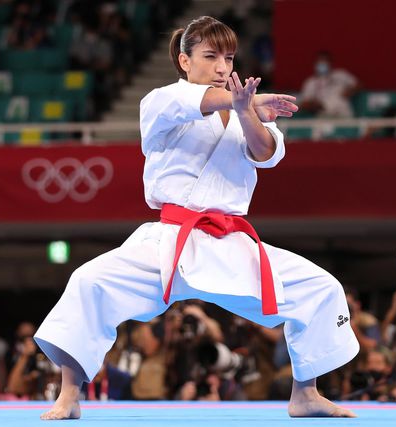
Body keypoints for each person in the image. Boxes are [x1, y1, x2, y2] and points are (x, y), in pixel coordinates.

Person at [34, 16, 359, 420]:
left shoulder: (244, 112)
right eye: (210, 56)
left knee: (321, 288)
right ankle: (69, 394)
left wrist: (247, 112)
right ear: (185, 61)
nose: (223, 67)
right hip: (169, 240)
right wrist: (246, 101)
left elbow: (264, 153)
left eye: (229, 57)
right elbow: (198, 102)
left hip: (232, 241)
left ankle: (305, 393)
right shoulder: (160, 101)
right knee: (88, 282)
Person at [299, 50, 359, 118]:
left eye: (325, 61)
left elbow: (358, 84)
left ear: (330, 62)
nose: (322, 63)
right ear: (315, 63)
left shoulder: (341, 74)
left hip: (343, 113)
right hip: (324, 115)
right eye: (320, 61)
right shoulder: (310, 82)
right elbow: (304, 104)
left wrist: (350, 91)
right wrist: (315, 105)